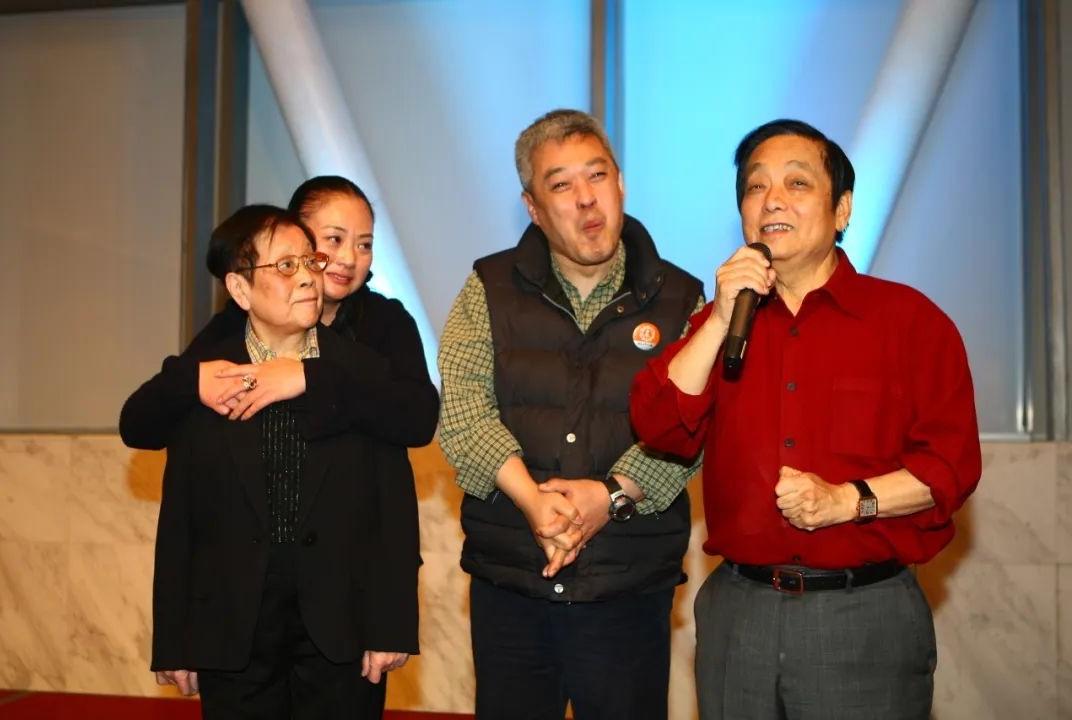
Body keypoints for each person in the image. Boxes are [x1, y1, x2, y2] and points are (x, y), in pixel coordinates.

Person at [629, 119, 982, 720]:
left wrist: (848, 501)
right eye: (755, 187)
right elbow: (657, 424)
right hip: (739, 614)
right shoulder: (721, 324)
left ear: (841, 209)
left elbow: (949, 467)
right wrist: (719, 320)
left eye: (797, 183)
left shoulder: (909, 321)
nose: (772, 200)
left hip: (862, 616)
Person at [121, 177, 437, 713]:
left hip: (340, 619)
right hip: (236, 625)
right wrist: (176, 636)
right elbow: (180, 513)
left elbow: (394, 500)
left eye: (363, 244)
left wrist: (306, 378)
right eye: (298, 259)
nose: (327, 267)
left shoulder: (370, 359)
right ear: (242, 289)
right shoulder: (219, 358)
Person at [437, 108, 704, 720]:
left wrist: (608, 497)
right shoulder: (488, 287)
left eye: (597, 175)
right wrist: (533, 501)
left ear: (621, 183)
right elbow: (465, 412)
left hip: (627, 583)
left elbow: (691, 428)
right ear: (532, 207)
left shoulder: (682, 299)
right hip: (513, 581)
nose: (586, 199)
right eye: (561, 185)